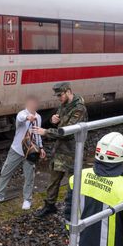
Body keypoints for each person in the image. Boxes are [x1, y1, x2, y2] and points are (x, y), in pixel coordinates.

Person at [33, 82, 88, 217]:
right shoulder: (64, 104)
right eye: (57, 95)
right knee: (53, 180)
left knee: (73, 182)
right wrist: (54, 120)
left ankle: (72, 209)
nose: (59, 98)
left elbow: (67, 131)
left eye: (60, 95)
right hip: (60, 150)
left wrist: (45, 132)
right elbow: (59, 122)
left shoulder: (79, 109)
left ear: (68, 91)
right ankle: (50, 205)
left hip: (72, 151)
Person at [0, 95, 45, 210]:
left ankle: (27, 199)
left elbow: (38, 134)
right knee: (6, 172)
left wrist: (41, 147)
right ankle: (0, 194)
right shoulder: (21, 114)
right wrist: (28, 117)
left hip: (30, 152)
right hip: (17, 149)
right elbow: (20, 118)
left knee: (29, 176)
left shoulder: (38, 117)